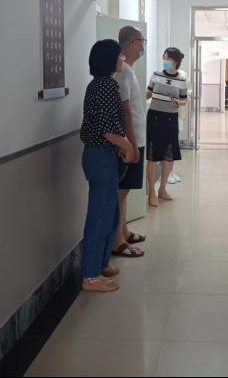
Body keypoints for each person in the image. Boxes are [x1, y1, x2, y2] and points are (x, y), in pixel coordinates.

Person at [79, 39, 137, 293]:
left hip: (106, 155)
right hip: (100, 156)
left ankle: (101, 264)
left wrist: (123, 146)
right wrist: (128, 147)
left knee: (110, 213)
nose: (122, 59)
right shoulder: (103, 86)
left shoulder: (105, 84)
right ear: (109, 59)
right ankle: (90, 276)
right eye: (119, 56)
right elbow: (106, 130)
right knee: (100, 216)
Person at [111, 26, 147, 259]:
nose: (143, 47)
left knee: (125, 191)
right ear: (133, 43)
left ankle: (124, 232)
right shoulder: (122, 71)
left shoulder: (128, 70)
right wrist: (131, 146)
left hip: (136, 139)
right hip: (130, 142)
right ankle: (117, 241)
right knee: (121, 192)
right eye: (142, 42)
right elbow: (125, 111)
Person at [146, 47, 188, 206]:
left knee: (169, 155)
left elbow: (184, 99)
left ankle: (162, 189)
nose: (164, 61)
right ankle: (152, 192)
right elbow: (148, 93)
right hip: (155, 117)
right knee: (152, 155)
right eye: (163, 58)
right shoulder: (156, 75)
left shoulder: (182, 79)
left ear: (175, 61)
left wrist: (179, 102)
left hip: (171, 118)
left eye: (167, 58)